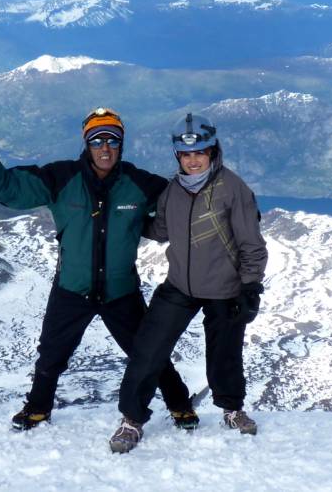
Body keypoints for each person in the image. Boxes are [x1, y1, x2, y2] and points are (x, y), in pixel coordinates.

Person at [0, 108, 197, 431]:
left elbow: (184, 204)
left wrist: (231, 210)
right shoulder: (61, 178)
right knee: (51, 354)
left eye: (113, 142)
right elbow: (13, 191)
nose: (105, 149)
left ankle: (180, 406)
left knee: (148, 352)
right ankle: (37, 409)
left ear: (121, 145)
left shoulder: (141, 184)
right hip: (72, 288)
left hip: (121, 290)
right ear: (87, 144)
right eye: (97, 141)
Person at [109, 112, 268, 454]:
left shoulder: (233, 189)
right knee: (148, 350)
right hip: (179, 285)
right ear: (177, 156)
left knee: (225, 354)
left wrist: (251, 286)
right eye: (186, 154)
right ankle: (131, 419)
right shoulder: (173, 192)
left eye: (200, 153)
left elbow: (251, 243)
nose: (193, 160)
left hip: (225, 289)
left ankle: (232, 409)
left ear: (213, 152)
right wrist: (130, 219)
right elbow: (161, 230)